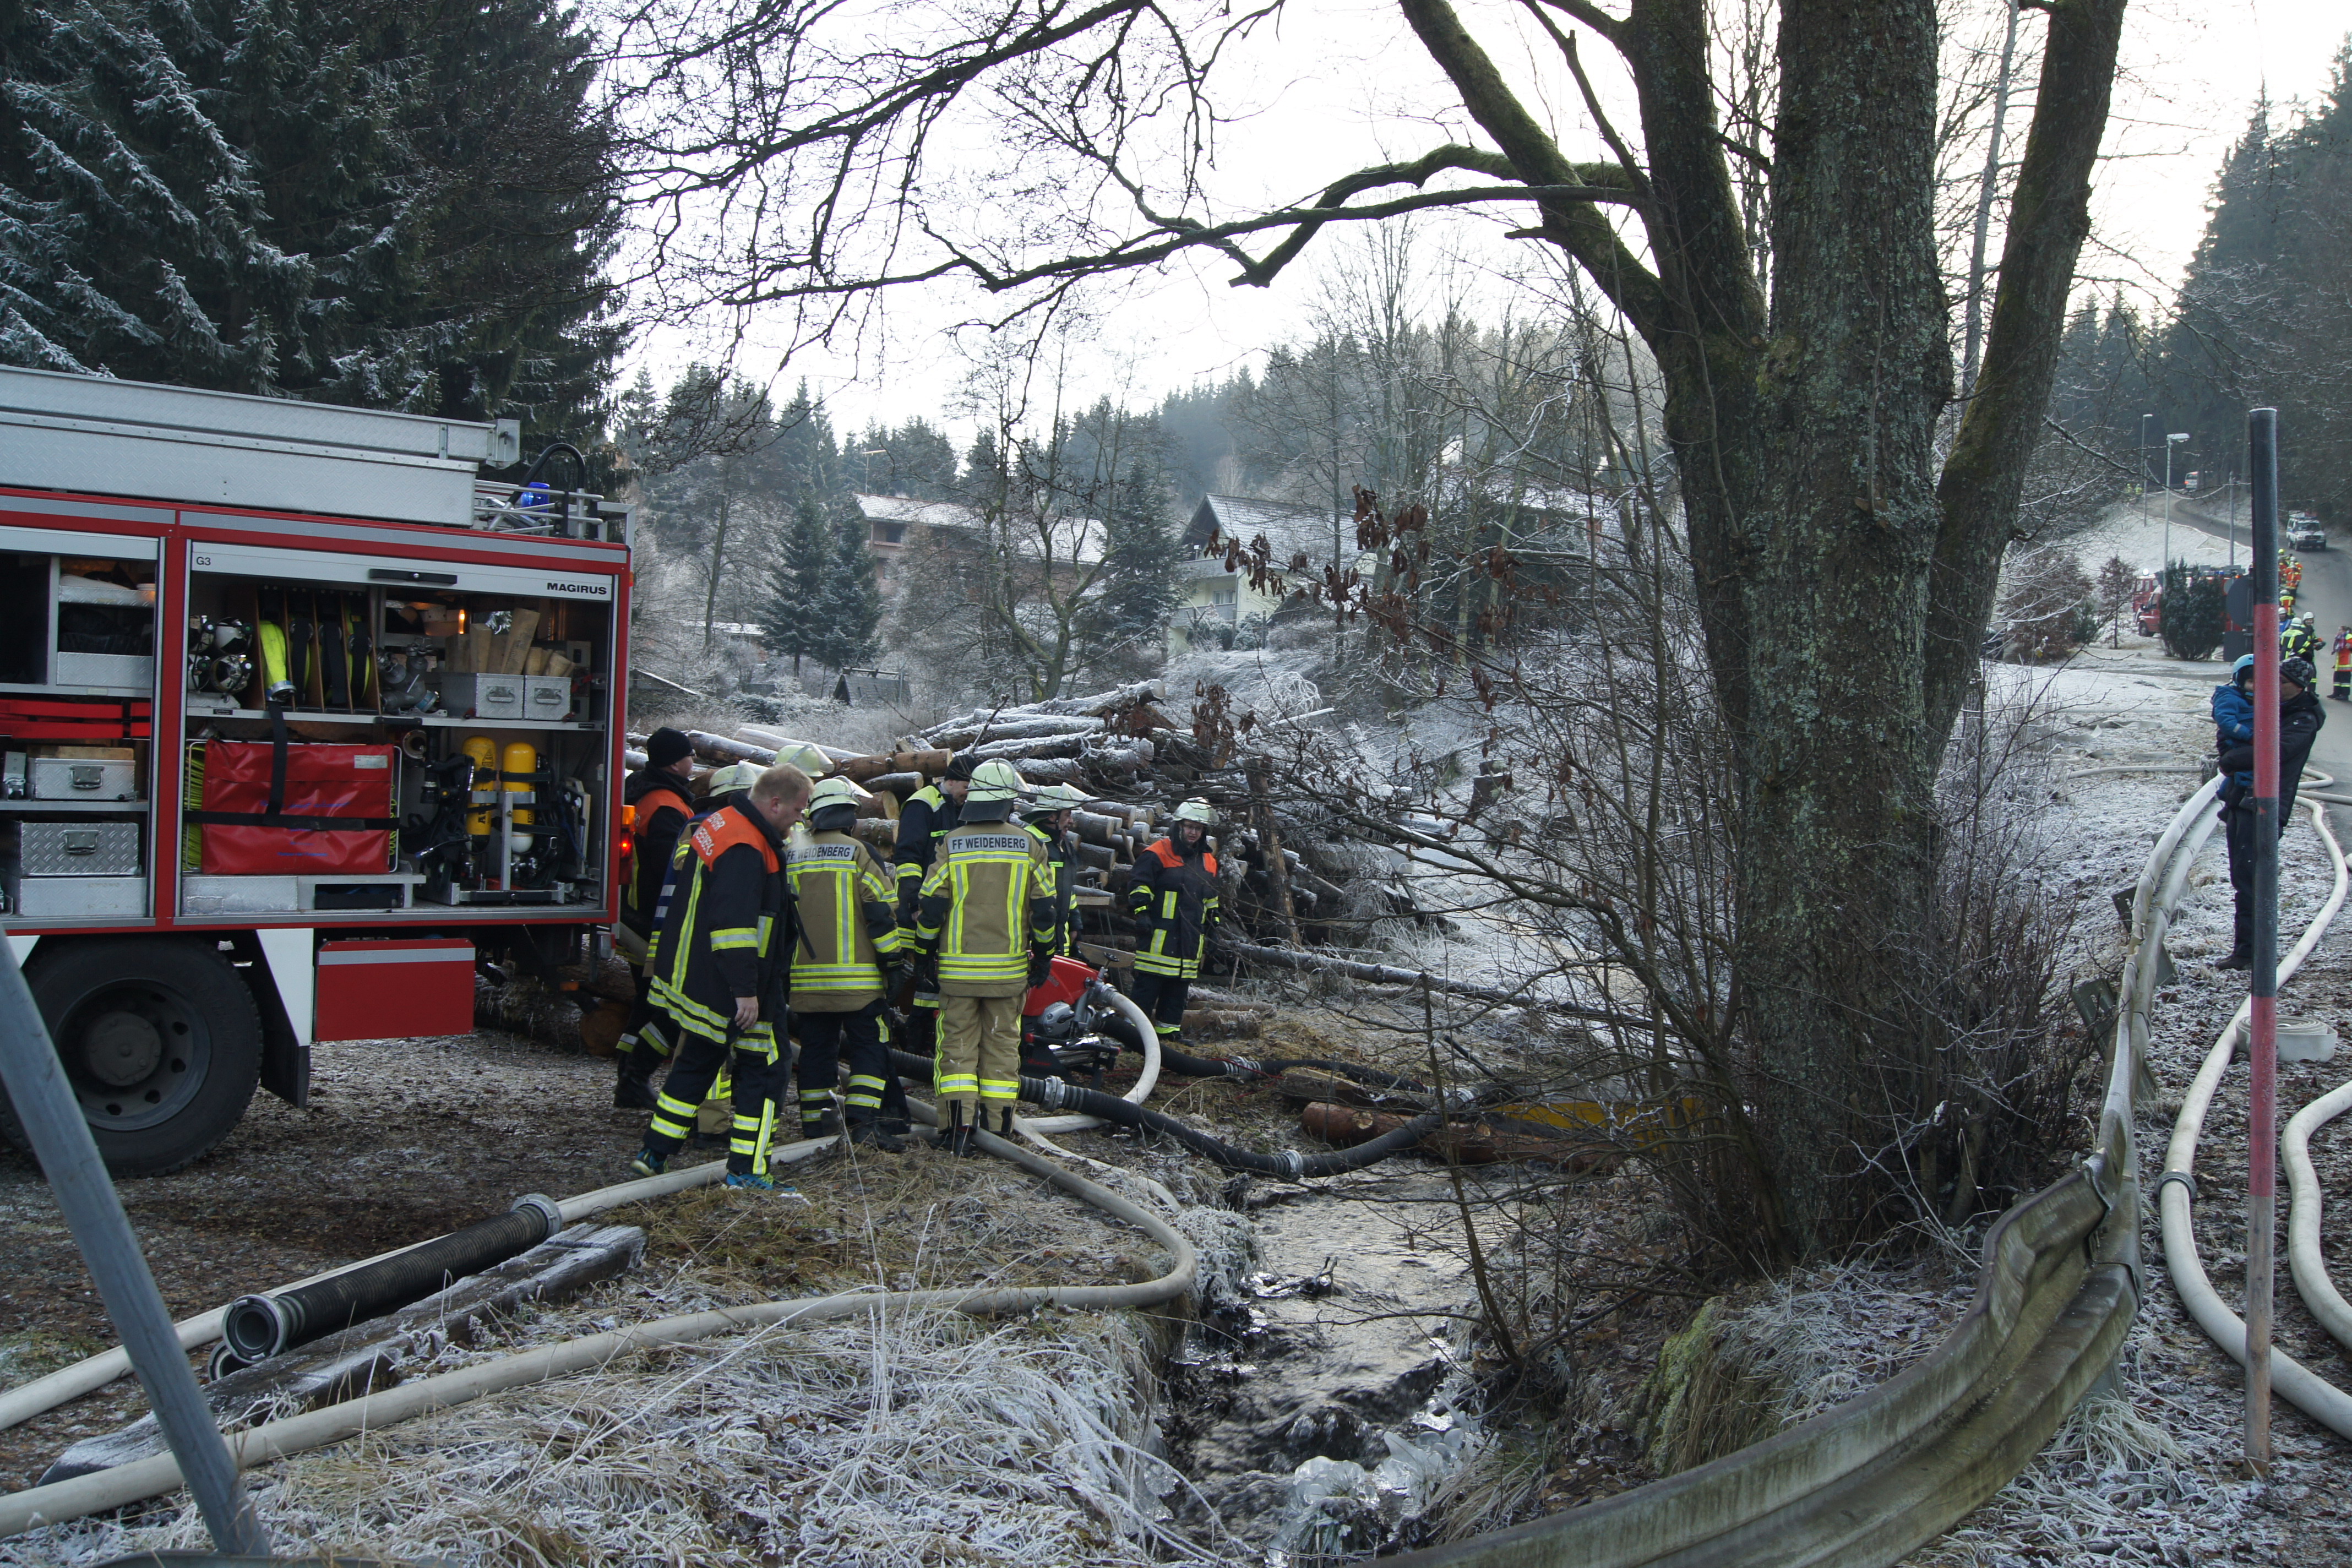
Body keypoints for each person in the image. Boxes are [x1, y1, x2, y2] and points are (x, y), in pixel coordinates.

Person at [629, 764, 812, 1189]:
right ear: (775, 803)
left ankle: (654, 1152)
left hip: (702, 978)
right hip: (738, 986)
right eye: (798, 810)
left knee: (699, 1059)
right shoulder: (746, 847)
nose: (800, 819)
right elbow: (734, 926)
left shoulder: (721, 823)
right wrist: (745, 992)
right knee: (767, 1068)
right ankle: (748, 1169)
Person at [908, 759, 1055, 1154]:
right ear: (1009, 801)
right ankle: (998, 1130)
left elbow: (931, 906)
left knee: (956, 1048)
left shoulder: (952, 843)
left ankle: (957, 1131)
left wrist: (923, 954)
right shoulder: (1030, 845)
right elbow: (1044, 911)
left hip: (957, 974)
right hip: (1008, 974)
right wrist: (1044, 956)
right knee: (1003, 1047)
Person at [786, 776, 908, 1151]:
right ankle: (862, 1122)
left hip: (805, 981)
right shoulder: (858, 852)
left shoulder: (792, 853)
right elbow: (880, 914)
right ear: (850, 816)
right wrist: (893, 961)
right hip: (859, 983)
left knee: (816, 1051)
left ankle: (816, 1126)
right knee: (869, 1047)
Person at [2215, 657, 2326, 971]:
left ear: (2300, 687)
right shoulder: (2272, 707)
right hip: (2243, 800)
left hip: (2266, 807)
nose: (2272, 686)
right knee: (2242, 877)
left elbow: (2275, 751)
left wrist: (2231, 759)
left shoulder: (2303, 718)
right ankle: (2246, 949)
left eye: (2282, 681)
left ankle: (2250, 953)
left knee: (2254, 880)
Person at [612, 728, 697, 1109]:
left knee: (647, 1001)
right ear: (675, 763)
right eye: (689, 755)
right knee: (658, 1004)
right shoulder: (666, 806)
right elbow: (672, 869)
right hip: (654, 919)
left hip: (636, 912)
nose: (693, 761)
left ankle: (629, 1078)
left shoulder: (645, 792)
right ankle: (632, 1079)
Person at [890, 754, 971, 1060]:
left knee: (933, 981)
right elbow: (908, 857)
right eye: (966, 787)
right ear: (949, 781)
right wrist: (914, 902)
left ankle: (926, 1046)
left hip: (947, 912)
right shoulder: (923, 804)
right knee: (917, 980)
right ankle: (912, 1046)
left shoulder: (961, 808)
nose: (968, 795)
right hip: (919, 911)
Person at [1124, 799, 1221, 1048]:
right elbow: (1139, 885)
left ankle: (1168, 1035)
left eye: (1198, 828)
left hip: (1190, 940)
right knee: (1147, 990)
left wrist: (1213, 927)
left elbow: (1211, 898)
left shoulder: (1208, 861)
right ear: (1179, 826)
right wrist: (1142, 914)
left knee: (1178, 992)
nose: (1193, 832)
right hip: (1158, 938)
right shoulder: (1157, 853)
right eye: (1189, 826)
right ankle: (1132, 1037)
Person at [1020, 782, 1088, 957]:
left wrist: (1075, 924)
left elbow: (1068, 889)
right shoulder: (1029, 842)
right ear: (1052, 816)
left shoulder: (1064, 845)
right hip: (1032, 941)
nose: (1071, 821)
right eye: (1067, 815)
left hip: (1060, 939)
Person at [2332, 627, 2351, 702]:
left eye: (2340, 630)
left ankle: (2345, 695)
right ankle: (2336, 693)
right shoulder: (2340, 637)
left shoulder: (2349, 637)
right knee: (2337, 679)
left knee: (2345, 681)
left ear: (2345, 631)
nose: (2339, 631)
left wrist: (2350, 646)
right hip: (2340, 662)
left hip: (2346, 663)